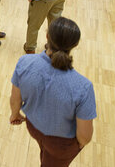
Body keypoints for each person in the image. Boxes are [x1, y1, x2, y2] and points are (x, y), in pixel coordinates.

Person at [10, 17, 96, 167]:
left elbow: (15, 100)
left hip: (33, 128)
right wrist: (78, 146)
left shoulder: (24, 62)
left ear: (47, 36)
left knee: (45, 151)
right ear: (75, 45)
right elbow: (84, 136)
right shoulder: (84, 87)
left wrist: (15, 114)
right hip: (62, 145)